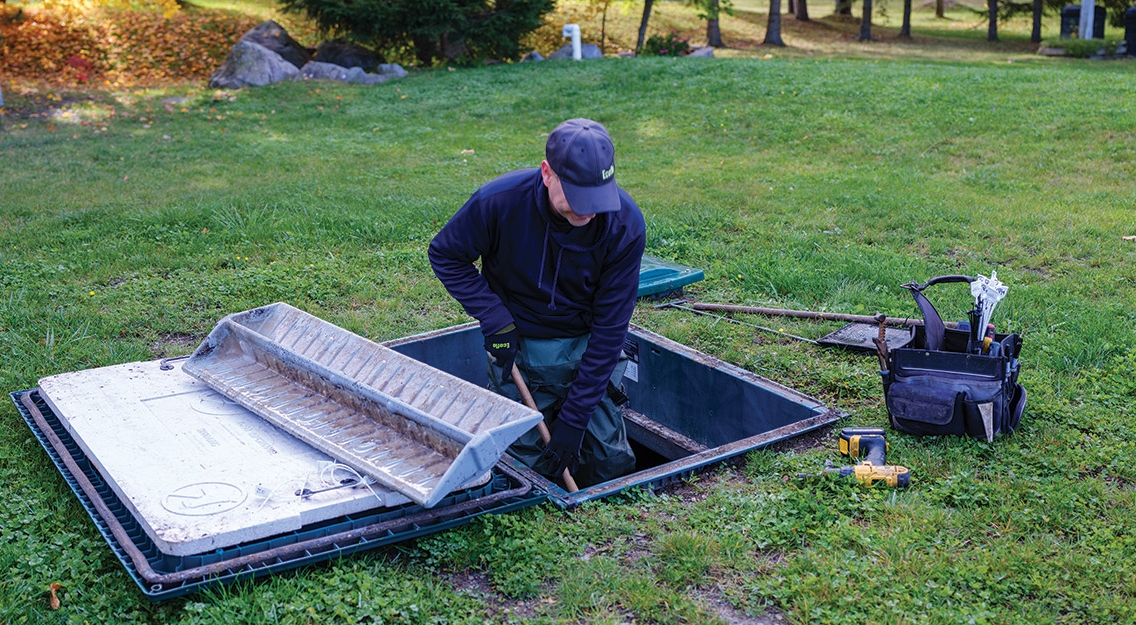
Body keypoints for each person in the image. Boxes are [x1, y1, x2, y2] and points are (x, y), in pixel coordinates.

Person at [428, 118, 646, 488]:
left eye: (597, 197)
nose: (589, 211)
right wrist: (495, 318)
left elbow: (611, 330)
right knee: (525, 466)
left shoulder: (623, 224)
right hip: (519, 347)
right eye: (578, 197)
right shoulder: (498, 203)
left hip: (585, 347)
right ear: (548, 173)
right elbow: (446, 255)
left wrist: (575, 421)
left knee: (608, 462)